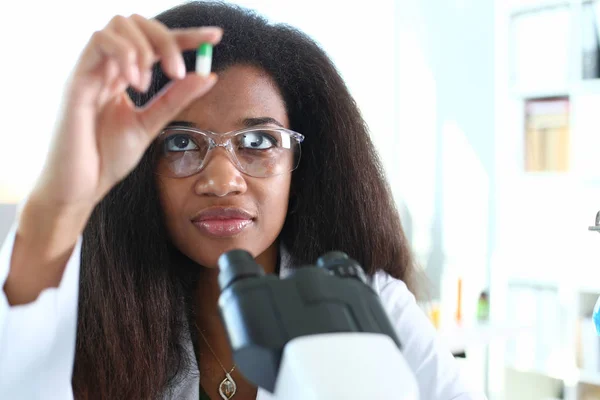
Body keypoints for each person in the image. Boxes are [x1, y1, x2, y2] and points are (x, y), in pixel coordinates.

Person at [0, 2, 485, 399]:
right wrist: (61, 197)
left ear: (304, 161)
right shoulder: (96, 318)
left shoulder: (373, 309)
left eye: (257, 142)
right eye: (180, 143)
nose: (222, 180)